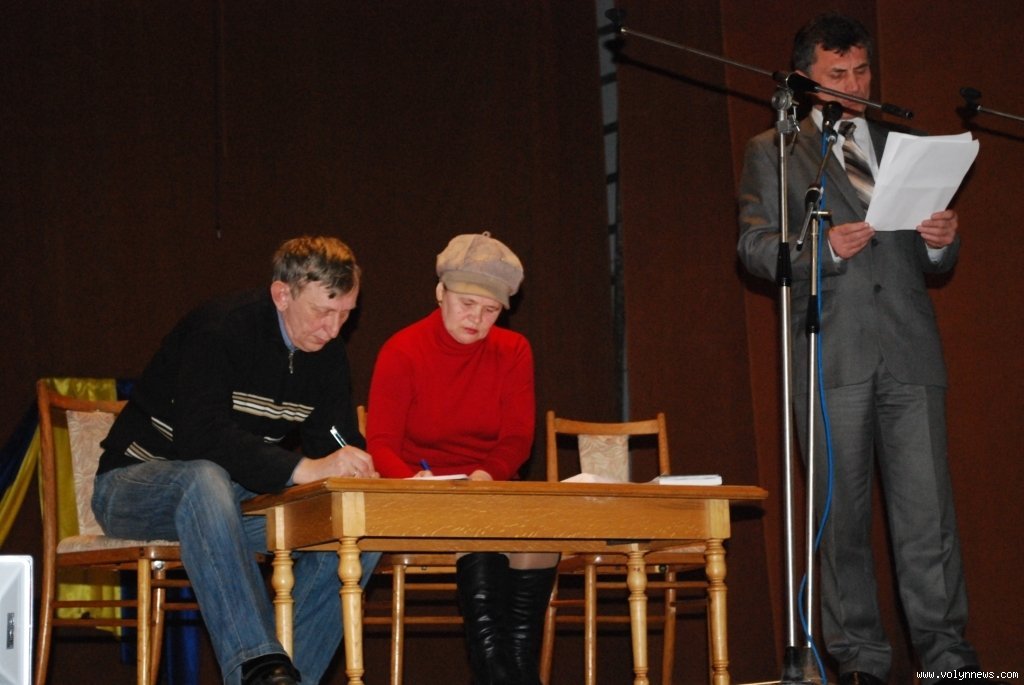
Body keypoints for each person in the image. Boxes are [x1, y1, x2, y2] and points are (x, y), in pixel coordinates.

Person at [736, 13, 1000, 685]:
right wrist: (822, 248)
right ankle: (860, 661)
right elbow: (755, 248)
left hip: (910, 353)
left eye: (861, 72)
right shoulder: (776, 149)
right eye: (837, 75)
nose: (854, 87)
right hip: (832, 357)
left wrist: (940, 239)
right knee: (842, 521)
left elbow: (935, 261)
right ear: (805, 78)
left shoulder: (902, 144)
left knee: (928, 518)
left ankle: (947, 659)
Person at [92, 236, 380, 685]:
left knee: (358, 526)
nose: (333, 329)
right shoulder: (220, 329)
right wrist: (302, 469)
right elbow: (200, 437)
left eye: (346, 314)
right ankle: (257, 665)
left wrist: (356, 466)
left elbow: (333, 439)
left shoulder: (327, 357)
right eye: (323, 312)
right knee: (204, 478)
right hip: (134, 487)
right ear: (282, 294)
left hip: (230, 503)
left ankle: (285, 678)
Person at [366, 232, 558, 685]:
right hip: (421, 494)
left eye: (491, 310)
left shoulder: (514, 351)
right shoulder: (402, 349)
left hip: (488, 491)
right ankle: (497, 673)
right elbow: (381, 443)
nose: (477, 318)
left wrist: (487, 475)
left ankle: (511, 672)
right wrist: (412, 481)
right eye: (467, 303)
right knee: (483, 532)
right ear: (440, 292)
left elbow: (517, 439)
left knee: (543, 537)